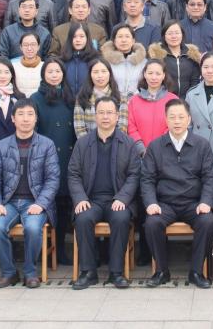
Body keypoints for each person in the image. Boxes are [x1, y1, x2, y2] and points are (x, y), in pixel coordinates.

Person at [68, 96, 143, 290]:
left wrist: (123, 198)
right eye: (101, 112)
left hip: (117, 200)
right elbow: (73, 174)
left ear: (117, 116)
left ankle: (116, 273)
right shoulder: (83, 143)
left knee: (120, 218)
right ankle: (88, 272)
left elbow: (134, 175)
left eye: (110, 112)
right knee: (83, 218)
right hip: (90, 199)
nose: (105, 117)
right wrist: (80, 198)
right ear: (95, 116)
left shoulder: (128, 143)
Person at [141, 99, 213, 288]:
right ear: (166, 119)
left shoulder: (201, 145)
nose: (177, 121)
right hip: (165, 204)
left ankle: (196, 272)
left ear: (189, 119)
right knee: (152, 223)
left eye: (181, 117)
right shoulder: (155, 146)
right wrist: (151, 203)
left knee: (207, 221)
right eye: (172, 117)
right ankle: (161, 271)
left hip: (193, 203)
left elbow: (209, 177)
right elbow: (147, 179)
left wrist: (206, 201)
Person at [0, 101, 60, 289]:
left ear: (36, 118)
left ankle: (30, 272)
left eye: (30, 114)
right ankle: (9, 273)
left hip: (35, 202)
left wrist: (41, 204)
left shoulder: (47, 145)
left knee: (33, 228)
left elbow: (53, 179)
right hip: (8, 202)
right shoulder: (2, 146)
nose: (25, 119)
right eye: (20, 114)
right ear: (13, 118)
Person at [31, 58, 77, 264]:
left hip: (68, 156)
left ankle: (60, 249)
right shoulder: (36, 98)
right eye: (50, 71)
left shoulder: (70, 97)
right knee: (49, 203)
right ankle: (44, 250)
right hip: (46, 158)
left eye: (58, 71)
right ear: (43, 74)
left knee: (65, 203)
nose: (54, 75)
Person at [127, 59, 178, 148]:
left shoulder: (173, 100)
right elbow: (131, 127)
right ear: (144, 74)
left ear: (163, 76)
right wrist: (140, 147)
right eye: (150, 73)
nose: (154, 77)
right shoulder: (133, 101)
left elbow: (175, 124)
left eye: (158, 74)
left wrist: (160, 147)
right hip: (138, 151)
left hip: (166, 149)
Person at [74, 58, 129, 137]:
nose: (100, 76)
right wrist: (88, 143)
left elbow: (122, 127)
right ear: (90, 75)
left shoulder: (120, 97)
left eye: (103, 71)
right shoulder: (82, 97)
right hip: (88, 143)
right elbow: (79, 128)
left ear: (110, 74)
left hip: (115, 143)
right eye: (95, 72)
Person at [148, 20, 202, 95]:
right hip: (164, 98)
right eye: (170, 33)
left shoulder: (191, 55)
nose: (174, 36)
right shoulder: (157, 56)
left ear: (182, 35)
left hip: (188, 98)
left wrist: (190, 97)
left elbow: (195, 80)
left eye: (177, 33)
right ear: (164, 36)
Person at [102, 24, 147, 102]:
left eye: (127, 36)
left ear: (133, 40)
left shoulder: (143, 62)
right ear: (114, 41)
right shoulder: (105, 62)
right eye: (120, 37)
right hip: (112, 102)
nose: (123, 40)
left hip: (138, 102)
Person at [58, 21, 99, 94]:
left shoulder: (96, 60)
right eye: (74, 36)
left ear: (87, 38)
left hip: (89, 99)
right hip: (66, 99)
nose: (78, 40)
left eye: (82, 36)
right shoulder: (62, 60)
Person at [10, 32, 44, 97]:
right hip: (18, 102)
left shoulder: (45, 67)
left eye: (33, 44)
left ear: (38, 47)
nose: (29, 48)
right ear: (21, 47)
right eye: (25, 45)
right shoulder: (13, 66)